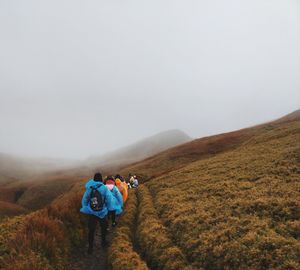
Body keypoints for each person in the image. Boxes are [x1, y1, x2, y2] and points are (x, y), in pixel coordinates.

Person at [80, 172, 113, 253]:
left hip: (92, 212)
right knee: (104, 227)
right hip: (102, 212)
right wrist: (109, 208)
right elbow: (109, 199)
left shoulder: (90, 188)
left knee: (91, 230)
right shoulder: (104, 188)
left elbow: (85, 199)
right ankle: (103, 242)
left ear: (94, 179)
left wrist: (86, 208)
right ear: (101, 179)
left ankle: (90, 247)